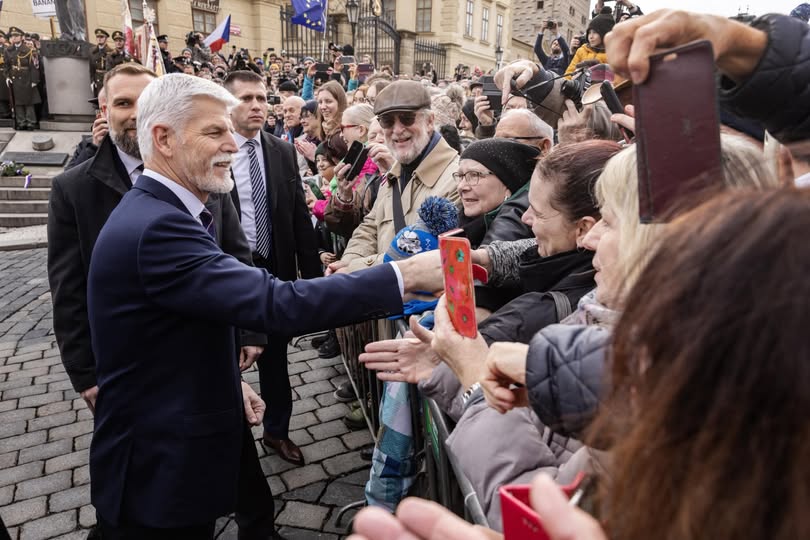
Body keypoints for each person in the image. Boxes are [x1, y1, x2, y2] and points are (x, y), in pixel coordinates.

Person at [87, 73, 440, 538]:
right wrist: (404, 276)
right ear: (163, 139)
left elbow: (176, 333)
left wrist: (226, 382)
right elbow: (274, 302)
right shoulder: (157, 226)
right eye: (214, 132)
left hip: (172, 446)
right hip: (158, 467)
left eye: (228, 130)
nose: (232, 144)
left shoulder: (166, 211)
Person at [223, 70, 322, 467]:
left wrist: (315, 284)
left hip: (274, 272)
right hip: (229, 273)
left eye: (262, 99)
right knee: (228, 358)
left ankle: (277, 432)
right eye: (246, 99)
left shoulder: (281, 151)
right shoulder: (213, 149)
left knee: (276, 363)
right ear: (227, 105)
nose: (257, 106)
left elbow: (299, 215)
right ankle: (230, 440)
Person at [328, 80, 461, 274]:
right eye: (388, 122)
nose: (397, 130)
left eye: (407, 119)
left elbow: (417, 253)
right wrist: (348, 263)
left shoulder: (457, 178)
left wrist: (353, 270)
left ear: (430, 121)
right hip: (382, 291)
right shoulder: (394, 173)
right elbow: (370, 228)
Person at [454, 139, 538, 248]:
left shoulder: (515, 230)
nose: (461, 187)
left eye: (475, 175)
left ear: (507, 185)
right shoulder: (454, 221)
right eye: (461, 176)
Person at [4, 26, 40, 130]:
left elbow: (34, 67)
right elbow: (6, 65)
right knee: (18, 102)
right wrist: (7, 76)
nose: (14, 38)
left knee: (28, 101)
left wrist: (34, 80)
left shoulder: (29, 50)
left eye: (16, 36)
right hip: (14, 78)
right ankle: (21, 122)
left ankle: (31, 122)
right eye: (12, 36)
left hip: (26, 78)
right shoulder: (8, 50)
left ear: (21, 37)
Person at [564, 12, 612, 77]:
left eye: (595, 32)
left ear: (604, 34)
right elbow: (569, 74)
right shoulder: (581, 50)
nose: (591, 36)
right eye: (589, 33)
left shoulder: (612, 55)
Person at [89, 28, 111, 97]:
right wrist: (92, 81)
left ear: (106, 38)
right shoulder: (92, 51)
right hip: (97, 81)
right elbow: (91, 69)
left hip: (107, 80)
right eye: (98, 37)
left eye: (101, 37)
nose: (99, 39)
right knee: (97, 101)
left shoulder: (110, 51)